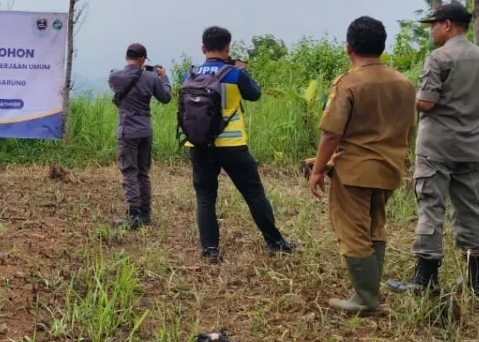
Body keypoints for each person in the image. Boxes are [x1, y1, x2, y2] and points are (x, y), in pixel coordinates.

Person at [388, 3, 479, 297]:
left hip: (437, 146)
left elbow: (426, 102)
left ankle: (425, 279)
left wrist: (405, 96)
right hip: (470, 147)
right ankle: (476, 281)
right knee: (469, 211)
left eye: (434, 24)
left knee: (430, 207)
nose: (432, 30)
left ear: (448, 24)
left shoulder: (439, 57)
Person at [308, 17, 415, 314]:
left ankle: (365, 299)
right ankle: (369, 293)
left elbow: (331, 133)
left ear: (349, 47)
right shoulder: (404, 83)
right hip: (390, 167)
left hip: (354, 170)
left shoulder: (349, 82)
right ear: (382, 46)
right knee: (375, 227)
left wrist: (317, 170)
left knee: (353, 232)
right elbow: (409, 129)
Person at [183, 26, 293, 262]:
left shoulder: (188, 75)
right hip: (232, 144)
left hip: (198, 145)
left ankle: (210, 250)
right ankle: (275, 242)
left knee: (205, 198)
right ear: (227, 48)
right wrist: (242, 70)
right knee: (254, 193)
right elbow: (255, 94)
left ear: (203, 48)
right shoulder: (234, 74)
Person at [108, 43, 172, 228]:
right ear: (143, 59)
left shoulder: (115, 76)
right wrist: (163, 77)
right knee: (143, 173)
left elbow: (115, 79)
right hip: (145, 131)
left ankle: (134, 215)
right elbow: (166, 97)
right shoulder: (151, 77)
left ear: (126, 56)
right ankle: (145, 213)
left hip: (127, 131)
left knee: (129, 171)